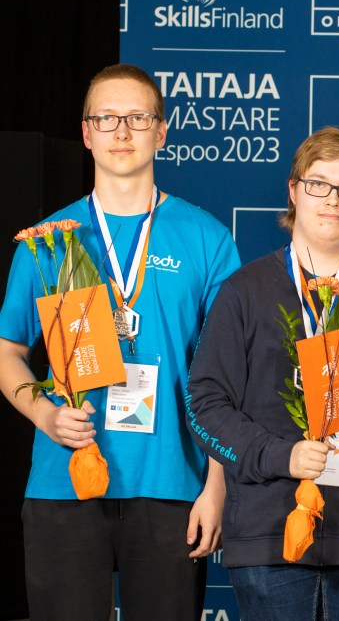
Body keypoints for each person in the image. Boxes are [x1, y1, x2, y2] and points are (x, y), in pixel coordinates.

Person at [0, 63, 240, 620]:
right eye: (106, 118)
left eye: (138, 117)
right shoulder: (46, 241)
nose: (123, 131)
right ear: (87, 134)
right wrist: (44, 415)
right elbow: (7, 351)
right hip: (65, 482)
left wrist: (217, 488)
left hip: (173, 485)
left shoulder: (206, 238)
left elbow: (228, 378)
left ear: (162, 131)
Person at [184, 126, 339, 620]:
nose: (332, 200)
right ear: (294, 190)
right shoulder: (243, 291)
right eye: (319, 183)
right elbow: (204, 405)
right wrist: (278, 454)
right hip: (268, 538)